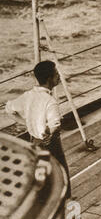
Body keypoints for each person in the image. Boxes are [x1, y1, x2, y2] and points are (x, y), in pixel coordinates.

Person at [5, 60, 71, 197]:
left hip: (34, 142)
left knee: (40, 174)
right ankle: (64, 200)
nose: (59, 76)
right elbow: (55, 125)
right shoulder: (50, 101)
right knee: (61, 173)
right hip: (51, 143)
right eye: (56, 74)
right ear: (49, 79)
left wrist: (27, 122)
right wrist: (49, 132)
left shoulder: (28, 96)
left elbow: (9, 109)